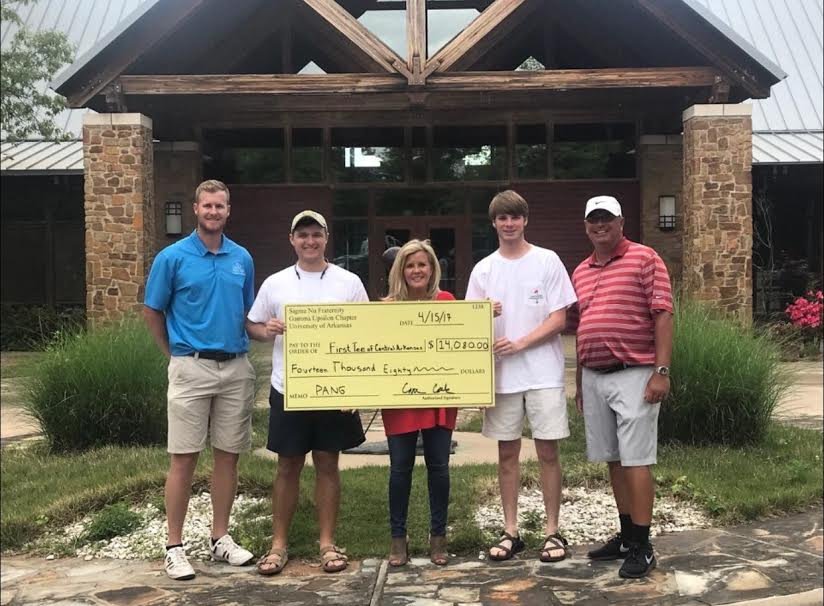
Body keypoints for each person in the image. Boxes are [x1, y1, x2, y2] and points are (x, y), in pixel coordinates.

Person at [143, 179, 256, 581]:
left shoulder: (241, 257)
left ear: (228, 210)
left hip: (235, 367)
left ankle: (220, 538)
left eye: (220, 206)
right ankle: (174, 547)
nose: (213, 212)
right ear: (195, 209)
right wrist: (172, 353)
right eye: (207, 206)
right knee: (184, 457)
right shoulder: (172, 258)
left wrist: (273, 329)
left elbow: (246, 315)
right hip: (191, 366)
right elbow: (153, 310)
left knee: (228, 455)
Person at [246, 210, 367, 576]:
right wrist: (268, 330)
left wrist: (356, 388)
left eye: (316, 235)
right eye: (303, 236)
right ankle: (278, 544)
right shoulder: (276, 283)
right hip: (290, 387)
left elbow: (366, 331)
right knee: (288, 465)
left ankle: (327, 543)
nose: (310, 242)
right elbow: (252, 324)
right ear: (292, 240)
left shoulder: (348, 282)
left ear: (326, 238)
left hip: (334, 388)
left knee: (328, 463)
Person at [466, 190, 577, 563]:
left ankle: (552, 532)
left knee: (547, 451)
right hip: (502, 377)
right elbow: (469, 326)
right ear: (493, 223)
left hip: (543, 373)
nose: (509, 224)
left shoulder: (547, 261)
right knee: (507, 453)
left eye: (515, 217)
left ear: (525, 220)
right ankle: (510, 530)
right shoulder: (483, 269)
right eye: (502, 218)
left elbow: (560, 318)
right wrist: (484, 313)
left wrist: (521, 343)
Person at [571, 195, 673, 579]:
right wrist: (581, 383)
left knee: (636, 459)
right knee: (614, 458)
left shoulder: (646, 258)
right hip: (595, 375)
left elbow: (662, 314)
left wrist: (661, 370)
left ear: (621, 221)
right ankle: (628, 535)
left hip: (635, 372)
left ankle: (644, 546)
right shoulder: (580, 270)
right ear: (586, 225)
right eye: (593, 220)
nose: (600, 226)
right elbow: (584, 327)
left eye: (607, 219)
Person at [381, 239, 457, 568]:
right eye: (410, 265)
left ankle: (438, 538)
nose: (416, 271)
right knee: (400, 470)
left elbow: (462, 347)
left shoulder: (448, 301)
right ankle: (398, 539)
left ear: (432, 269)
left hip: (439, 396)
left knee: (439, 468)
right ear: (401, 270)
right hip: (400, 401)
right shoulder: (386, 308)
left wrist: (484, 317)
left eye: (422, 265)